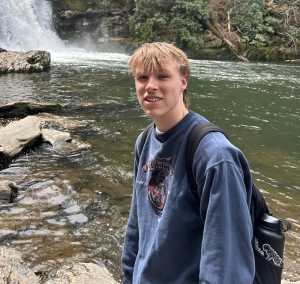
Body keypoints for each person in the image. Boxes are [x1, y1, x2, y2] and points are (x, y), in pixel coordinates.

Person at [121, 42, 255, 284]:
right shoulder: (144, 141)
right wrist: (128, 276)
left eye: (162, 76)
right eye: (142, 77)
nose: (150, 86)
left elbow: (226, 261)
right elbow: (137, 226)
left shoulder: (215, 155)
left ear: (183, 81)